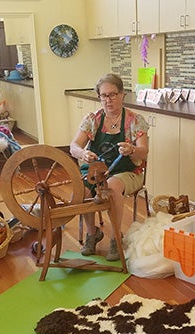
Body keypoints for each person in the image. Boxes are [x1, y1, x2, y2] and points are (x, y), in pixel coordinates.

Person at [69, 73, 149, 261]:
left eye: (113, 94)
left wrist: (131, 150)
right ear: (99, 97)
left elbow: (144, 152)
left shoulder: (134, 120)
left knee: (112, 187)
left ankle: (115, 238)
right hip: (98, 170)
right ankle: (92, 234)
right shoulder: (93, 120)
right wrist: (83, 153)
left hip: (127, 171)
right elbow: (74, 146)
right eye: (104, 95)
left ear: (122, 95)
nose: (108, 100)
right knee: (82, 191)